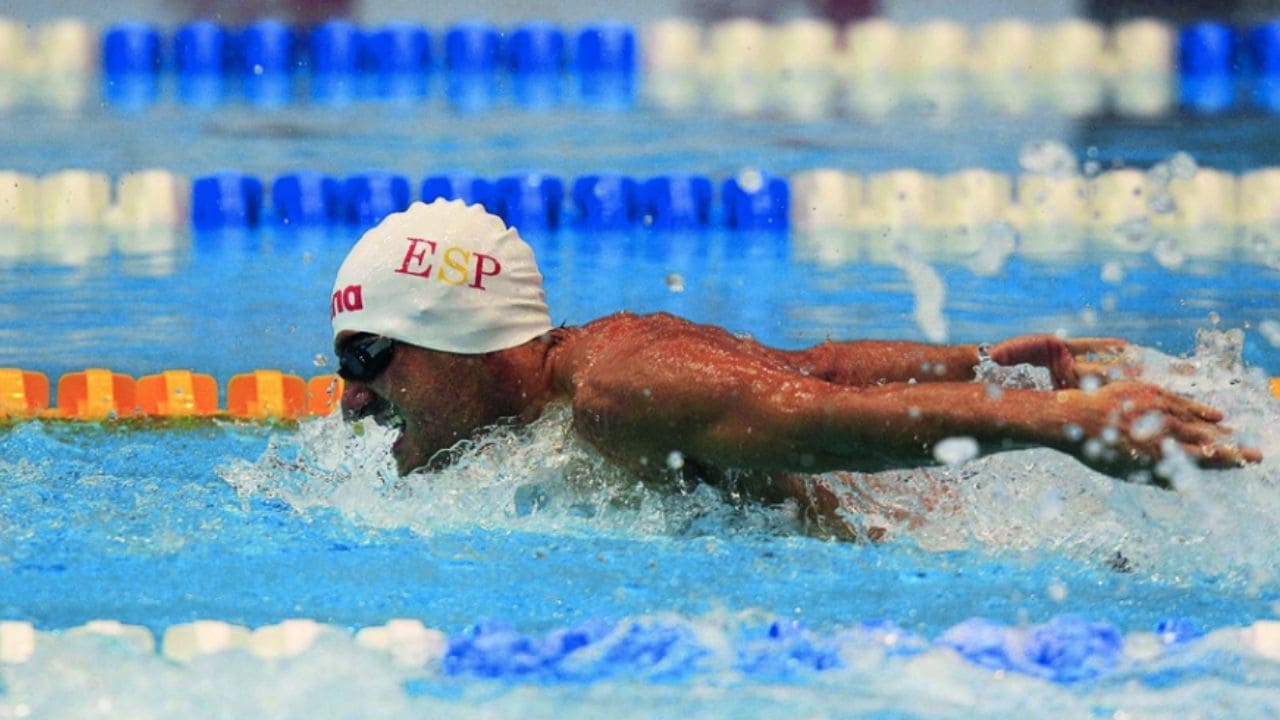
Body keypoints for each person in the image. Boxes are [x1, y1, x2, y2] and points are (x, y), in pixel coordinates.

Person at [331, 200, 1262, 538]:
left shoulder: (616, 395)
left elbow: (811, 418)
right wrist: (989, 364)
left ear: (461, 338)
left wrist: (1058, 424)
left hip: (931, 556)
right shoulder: (595, 361)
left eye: (366, 355)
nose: (351, 400)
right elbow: (812, 367)